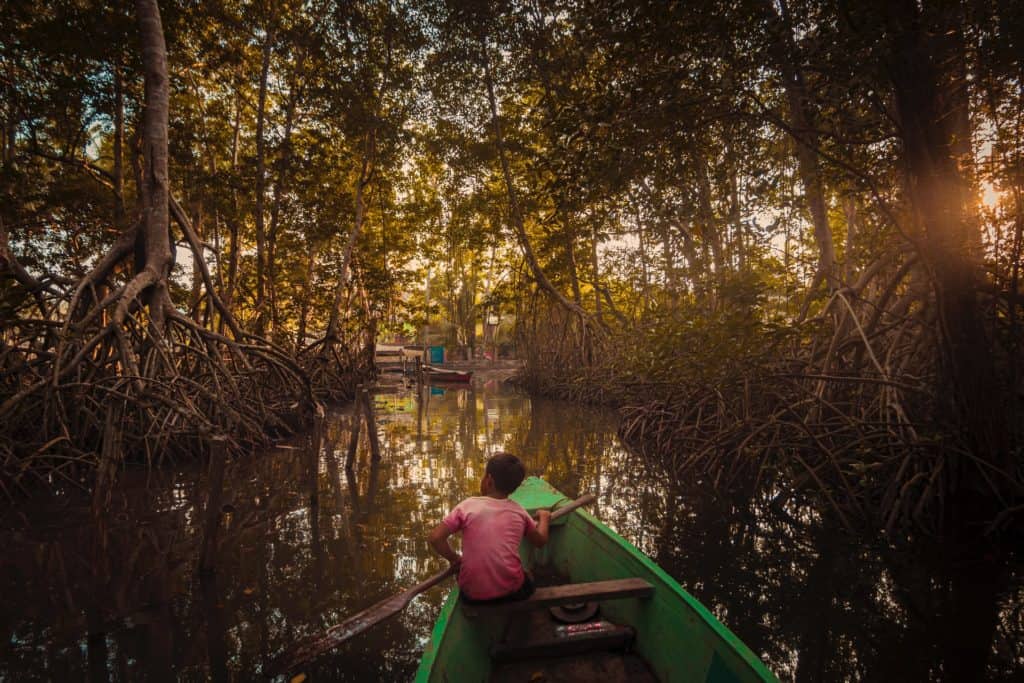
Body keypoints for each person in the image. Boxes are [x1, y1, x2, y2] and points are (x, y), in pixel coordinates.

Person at [428, 453, 551, 603]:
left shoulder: (468, 505)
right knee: (528, 577)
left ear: (489, 480)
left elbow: (435, 538)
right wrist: (544, 517)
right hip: (511, 593)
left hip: (472, 597)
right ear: (515, 487)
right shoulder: (519, 512)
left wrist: (454, 559)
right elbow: (540, 541)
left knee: (466, 578)